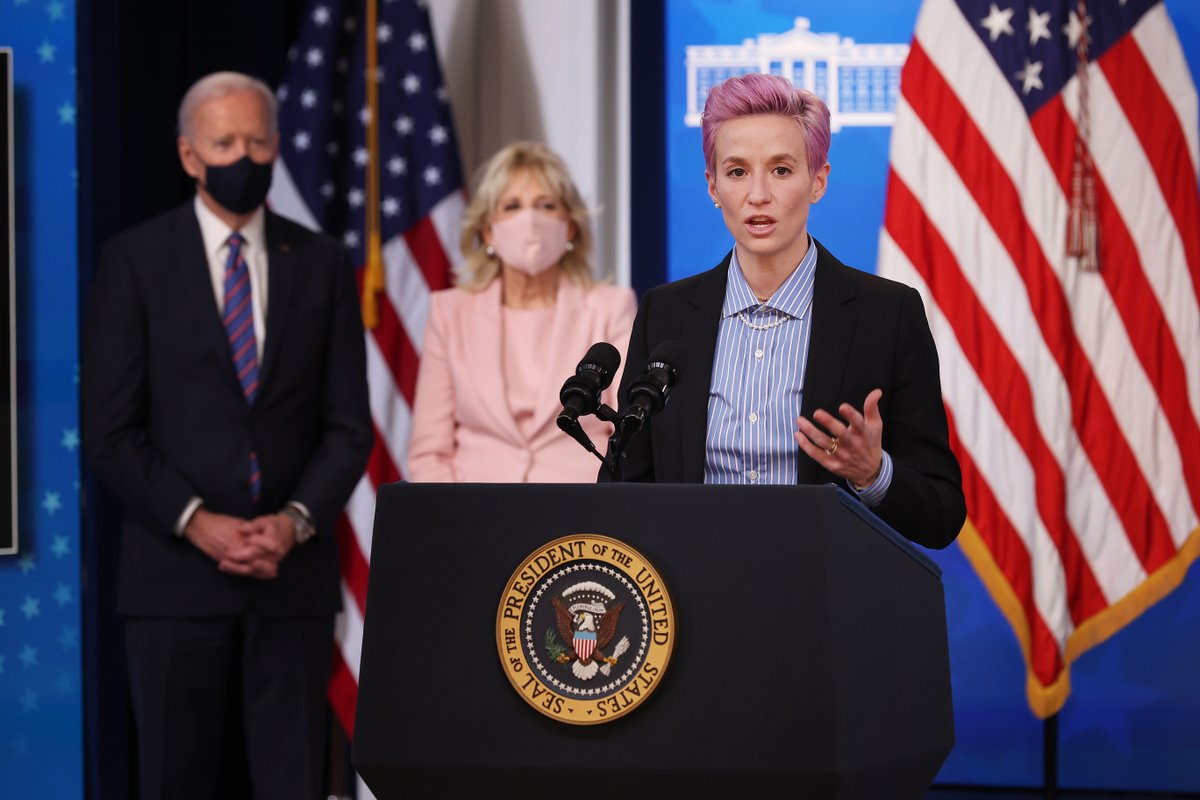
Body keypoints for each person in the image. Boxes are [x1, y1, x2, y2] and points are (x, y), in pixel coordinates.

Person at [81, 71, 372, 798]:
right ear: (189, 156)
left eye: (256, 139)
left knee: (296, 780)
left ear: (277, 145)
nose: (243, 155)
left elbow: (347, 427)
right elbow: (112, 431)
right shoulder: (135, 262)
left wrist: (295, 522)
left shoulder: (326, 263)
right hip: (174, 581)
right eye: (224, 142)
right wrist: (195, 521)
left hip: (291, 578)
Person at [606, 73, 965, 549]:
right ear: (712, 187)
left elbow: (941, 515)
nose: (758, 194)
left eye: (781, 170)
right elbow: (625, 491)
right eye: (736, 172)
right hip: (694, 596)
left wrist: (873, 474)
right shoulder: (665, 314)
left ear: (818, 180)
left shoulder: (888, 315)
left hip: (827, 602)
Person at [408, 142, 635, 483]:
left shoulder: (611, 308)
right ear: (488, 231)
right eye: (512, 206)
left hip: (582, 517)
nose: (530, 221)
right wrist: (452, 523)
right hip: (473, 515)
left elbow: (629, 432)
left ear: (570, 227)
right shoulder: (449, 312)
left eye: (546, 205)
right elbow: (429, 453)